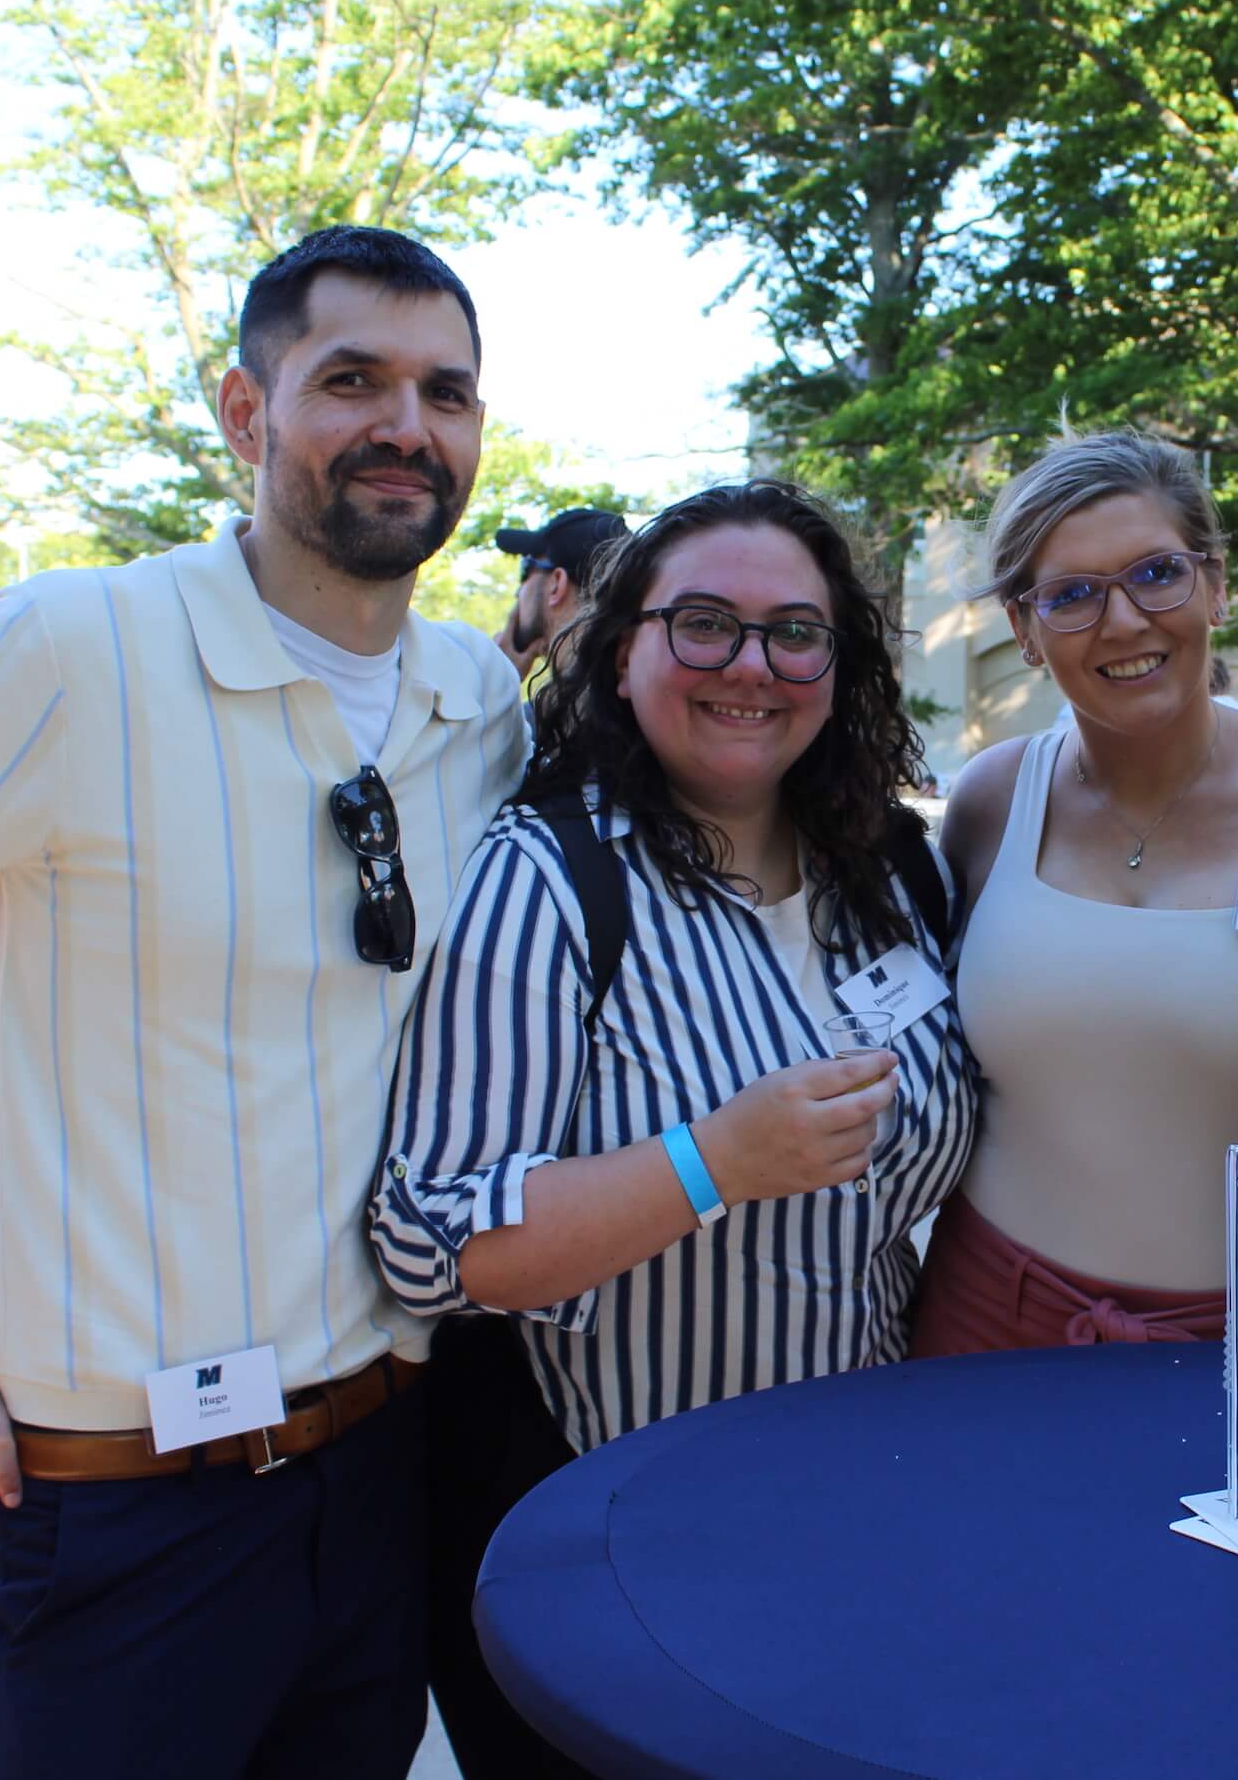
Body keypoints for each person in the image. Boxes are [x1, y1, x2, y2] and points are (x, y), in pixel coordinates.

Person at [0, 224, 528, 1779]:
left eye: (446, 391)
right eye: (350, 380)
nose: (406, 426)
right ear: (244, 410)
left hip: (375, 1474)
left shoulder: (474, 702)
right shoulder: (71, 648)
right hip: (111, 1504)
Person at [372, 480, 978, 1749]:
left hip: (851, 1512)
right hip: (614, 1536)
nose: (750, 666)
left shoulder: (892, 870)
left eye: (792, 632)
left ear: (839, 660)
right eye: (703, 623)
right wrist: (710, 1162)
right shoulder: (546, 879)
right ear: (624, 643)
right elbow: (433, 1240)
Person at [911, 430, 1238, 1356]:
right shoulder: (992, 803)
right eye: (1070, 595)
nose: (1122, 621)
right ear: (1026, 631)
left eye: (1157, 572)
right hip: (989, 1323)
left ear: (1216, 584)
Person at [495, 505, 628, 675]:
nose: (518, 592)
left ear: (557, 585)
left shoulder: (570, 700)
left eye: (525, 570)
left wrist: (497, 684)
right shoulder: (637, 690)